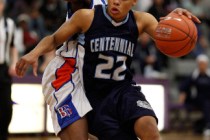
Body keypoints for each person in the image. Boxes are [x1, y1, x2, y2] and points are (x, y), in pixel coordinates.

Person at [16, 0, 201, 139]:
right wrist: (34, 53)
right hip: (80, 80)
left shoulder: (140, 19)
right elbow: (55, 38)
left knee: (149, 129)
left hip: (123, 89)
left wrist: (174, 20)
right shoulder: (87, 14)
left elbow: (165, 35)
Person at [18, 0, 106, 140]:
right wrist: (34, 53)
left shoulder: (119, 9)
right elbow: (54, 39)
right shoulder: (81, 8)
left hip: (98, 79)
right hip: (67, 74)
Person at [179, 54, 210, 136]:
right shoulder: (194, 76)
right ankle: (208, 126)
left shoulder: (208, 76)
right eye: (200, 64)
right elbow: (183, 86)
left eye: (204, 64)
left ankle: (201, 125)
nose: (202, 66)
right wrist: (183, 94)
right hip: (197, 99)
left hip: (208, 99)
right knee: (206, 103)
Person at [0, 0, 18, 140]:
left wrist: (13, 64)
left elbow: (13, 46)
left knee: (6, 105)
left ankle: (3, 134)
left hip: (3, 69)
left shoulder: (9, 24)